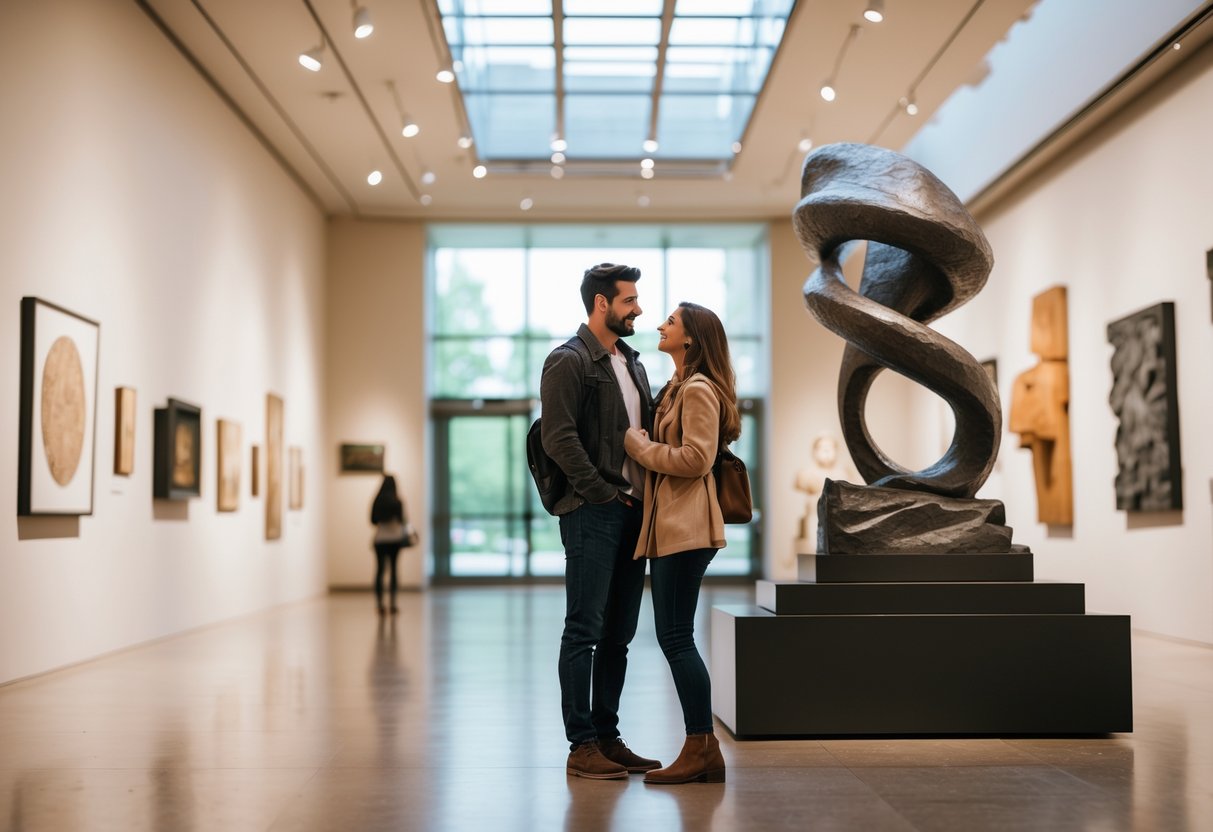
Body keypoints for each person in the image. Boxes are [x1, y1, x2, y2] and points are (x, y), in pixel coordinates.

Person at [540, 263, 660, 780]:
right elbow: (558, 438)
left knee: (619, 635)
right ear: (601, 303)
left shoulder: (631, 362)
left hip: (635, 513)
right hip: (595, 512)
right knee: (584, 630)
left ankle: (608, 738)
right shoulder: (568, 361)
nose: (638, 309)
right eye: (630, 300)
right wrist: (602, 494)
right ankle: (581, 744)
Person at [623, 302, 736, 785]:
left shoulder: (698, 390)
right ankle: (703, 750)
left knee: (675, 637)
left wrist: (639, 447)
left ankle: (699, 747)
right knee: (675, 636)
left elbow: (697, 458)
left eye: (670, 321)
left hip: (686, 527)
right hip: (673, 524)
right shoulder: (677, 387)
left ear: (690, 338)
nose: (659, 325)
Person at [370, 474, 409, 616]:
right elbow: (403, 521)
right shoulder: (398, 501)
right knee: (393, 570)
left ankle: (380, 605)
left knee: (380, 571)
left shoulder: (377, 501)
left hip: (380, 539)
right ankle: (393, 604)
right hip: (395, 539)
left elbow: (372, 521)